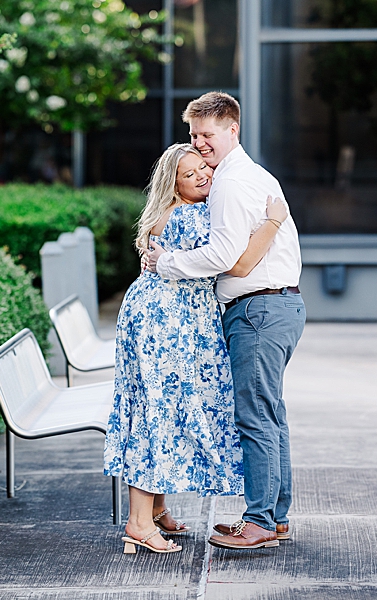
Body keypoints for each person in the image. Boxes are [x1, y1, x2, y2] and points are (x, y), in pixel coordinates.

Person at [104, 143, 288, 554]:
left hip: (157, 315)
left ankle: (155, 510)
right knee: (159, 413)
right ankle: (138, 522)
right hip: (167, 322)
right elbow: (236, 260)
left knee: (158, 407)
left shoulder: (175, 213)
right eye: (189, 174)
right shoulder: (190, 216)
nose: (203, 175)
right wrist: (273, 220)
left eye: (203, 166)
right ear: (173, 183)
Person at [147, 92, 306, 551]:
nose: (199, 144)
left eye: (207, 134)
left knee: (256, 417)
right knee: (271, 415)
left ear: (232, 129)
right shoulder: (252, 176)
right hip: (273, 307)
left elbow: (226, 257)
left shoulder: (233, 183)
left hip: (258, 310)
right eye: (193, 135)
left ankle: (257, 523)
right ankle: (273, 519)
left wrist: (167, 263)